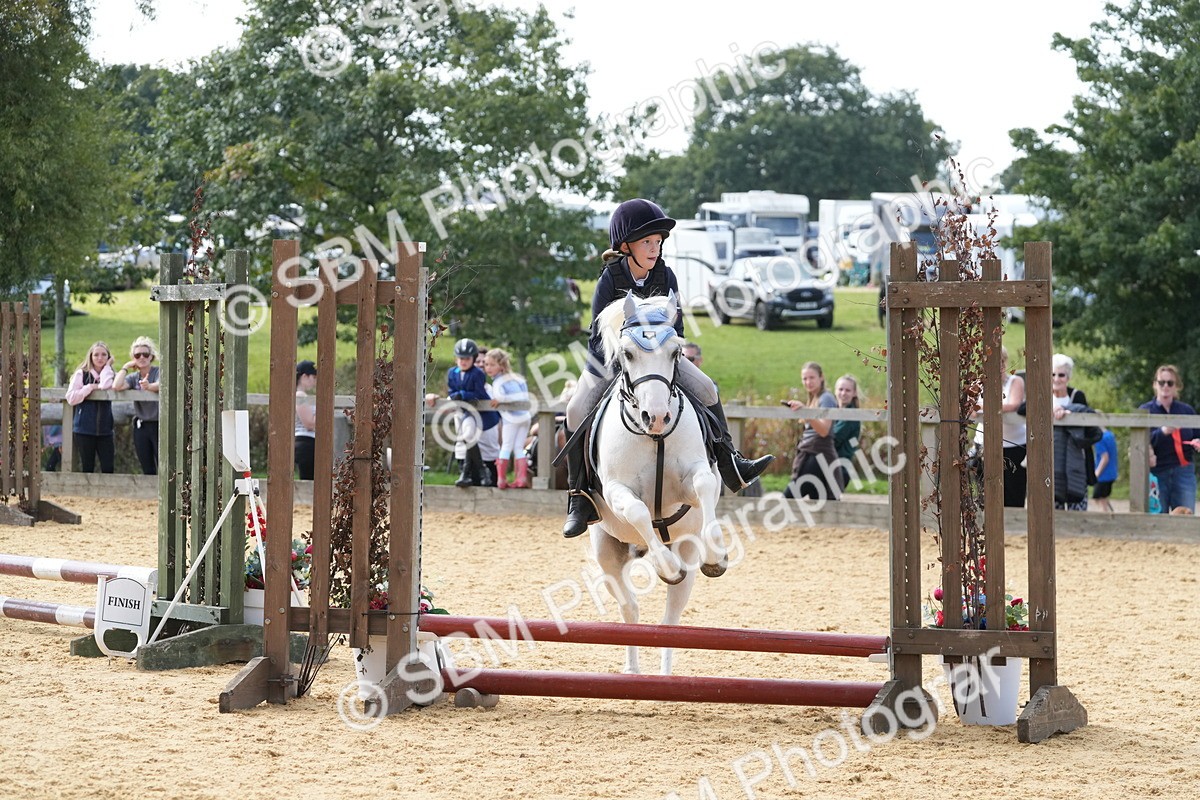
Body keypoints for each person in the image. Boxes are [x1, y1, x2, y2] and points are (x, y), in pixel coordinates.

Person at [560, 199, 773, 537]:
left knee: (708, 388)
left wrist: (667, 356)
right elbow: (600, 335)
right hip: (610, 360)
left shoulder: (665, 275)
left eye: (658, 242)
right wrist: (626, 361)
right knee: (574, 410)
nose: (654, 248)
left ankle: (731, 462)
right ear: (625, 246)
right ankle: (579, 496)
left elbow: (678, 329)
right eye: (647, 242)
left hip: (661, 359)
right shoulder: (610, 278)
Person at [1139, 364, 1200, 513]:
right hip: (1156, 472)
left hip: (1184, 471)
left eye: (1170, 383)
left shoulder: (1186, 410)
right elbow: (1139, 443)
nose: (1165, 386)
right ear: (1155, 384)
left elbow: (1197, 434)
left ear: (1176, 386)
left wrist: (1197, 442)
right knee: (1157, 517)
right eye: (1161, 382)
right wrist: (1162, 431)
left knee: (1186, 517)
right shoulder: (1145, 410)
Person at [974, 346, 1027, 508]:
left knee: (1013, 492)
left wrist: (982, 407)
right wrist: (983, 408)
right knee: (986, 491)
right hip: (984, 443)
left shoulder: (1015, 381)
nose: (998, 365)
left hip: (1013, 445)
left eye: (1001, 361)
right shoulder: (977, 383)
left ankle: (1014, 522)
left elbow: (1013, 405)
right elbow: (969, 408)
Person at [442, 338, 499, 487]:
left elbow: (478, 394)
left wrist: (463, 394)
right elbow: (450, 393)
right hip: (467, 419)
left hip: (482, 421)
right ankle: (476, 472)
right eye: (460, 358)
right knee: (468, 436)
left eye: (467, 359)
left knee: (468, 436)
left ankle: (479, 471)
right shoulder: (453, 373)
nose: (463, 361)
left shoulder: (482, 379)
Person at [1048, 353, 1101, 511]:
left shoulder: (1077, 396)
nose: (1056, 379)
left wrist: (1066, 410)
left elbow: (1090, 417)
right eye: (1053, 374)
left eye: (1061, 375)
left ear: (1068, 377)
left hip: (1077, 459)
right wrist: (1052, 409)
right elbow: (1023, 408)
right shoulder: (1042, 395)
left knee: (1077, 508)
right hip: (1052, 459)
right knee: (1052, 509)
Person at [783, 362, 838, 501]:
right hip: (812, 454)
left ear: (821, 377)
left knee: (788, 498)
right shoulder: (814, 398)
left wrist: (806, 413)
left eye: (812, 377)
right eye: (805, 379)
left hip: (818, 455)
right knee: (820, 501)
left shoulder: (826, 398)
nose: (808, 382)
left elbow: (824, 430)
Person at [112, 336, 161, 475]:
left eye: (145, 354)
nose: (142, 357)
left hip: (159, 424)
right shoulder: (134, 377)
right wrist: (126, 367)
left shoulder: (158, 372)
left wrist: (149, 386)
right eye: (137, 355)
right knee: (147, 466)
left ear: (151, 356)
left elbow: (161, 384)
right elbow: (116, 386)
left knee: (163, 464)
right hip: (141, 425)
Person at [65, 341, 116, 473]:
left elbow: (105, 385)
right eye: (96, 355)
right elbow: (71, 398)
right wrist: (89, 388)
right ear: (91, 357)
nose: (100, 358)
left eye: (104, 355)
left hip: (105, 429)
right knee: (87, 467)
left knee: (108, 467)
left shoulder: (110, 374)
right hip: (84, 429)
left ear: (108, 357)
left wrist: (107, 367)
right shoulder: (81, 374)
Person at [484, 348, 531, 489]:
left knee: (506, 446)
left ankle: (501, 480)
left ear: (501, 365)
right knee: (518, 447)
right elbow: (525, 396)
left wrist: (499, 399)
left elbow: (503, 397)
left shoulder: (498, 382)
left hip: (511, 419)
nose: (488, 368)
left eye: (492, 365)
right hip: (525, 417)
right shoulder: (517, 378)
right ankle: (521, 479)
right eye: (486, 364)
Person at [831, 374, 862, 491]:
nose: (843, 393)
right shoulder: (833, 411)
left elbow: (833, 439)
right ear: (835, 391)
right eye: (840, 389)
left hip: (839, 468)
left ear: (854, 393)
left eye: (848, 390)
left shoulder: (851, 415)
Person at [295, 360, 317, 480]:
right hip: (306, 442)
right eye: (313, 377)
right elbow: (309, 423)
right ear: (304, 376)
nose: (314, 381)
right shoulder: (300, 396)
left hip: (308, 442)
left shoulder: (303, 396)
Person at [1092, 425, 1118, 513]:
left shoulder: (1099, 438)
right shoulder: (1110, 435)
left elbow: (1105, 458)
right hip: (1112, 472)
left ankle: (1105, 514)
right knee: (1104, 497)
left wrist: (1097, 473)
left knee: (1099, 497)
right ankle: (1109, 512)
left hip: (1103, 475)